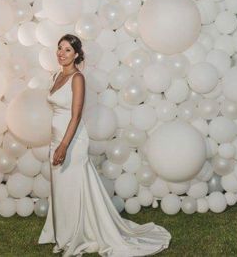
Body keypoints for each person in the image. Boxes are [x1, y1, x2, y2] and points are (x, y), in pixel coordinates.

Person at [38, 34, 172, 256]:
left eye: (67, 50)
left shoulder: (77, 78)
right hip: (56, 139)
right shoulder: (55, 76)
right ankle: (64, 232)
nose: (61, 53)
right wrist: (56, 143)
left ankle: (76, 235)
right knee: (61, 188)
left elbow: (76, 115)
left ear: (77, 54)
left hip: (71, 141)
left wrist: (63, 146)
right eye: (60, 48)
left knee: (73, 187)